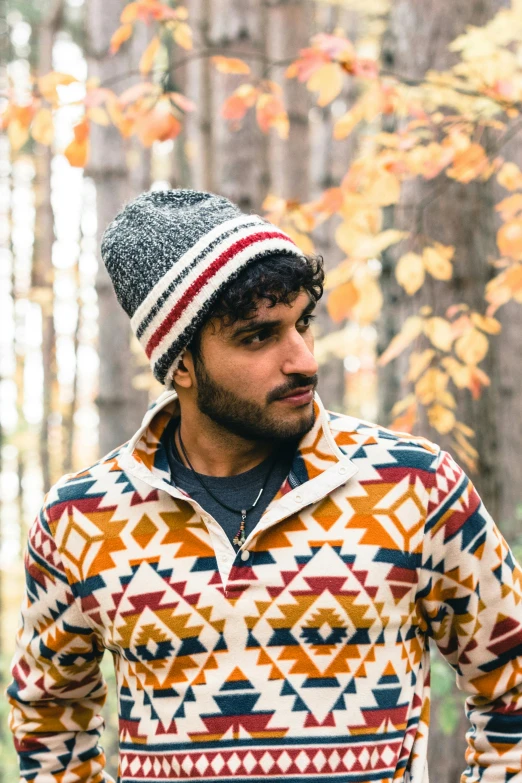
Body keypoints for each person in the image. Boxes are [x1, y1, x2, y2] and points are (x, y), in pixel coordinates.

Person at [7, 189, 522, 783]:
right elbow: (50, 719)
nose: (303, 360)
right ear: (181, 365)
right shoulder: (80, 519)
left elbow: (511, 682)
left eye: (302, 323)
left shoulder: (415, 486)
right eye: (259, 336)